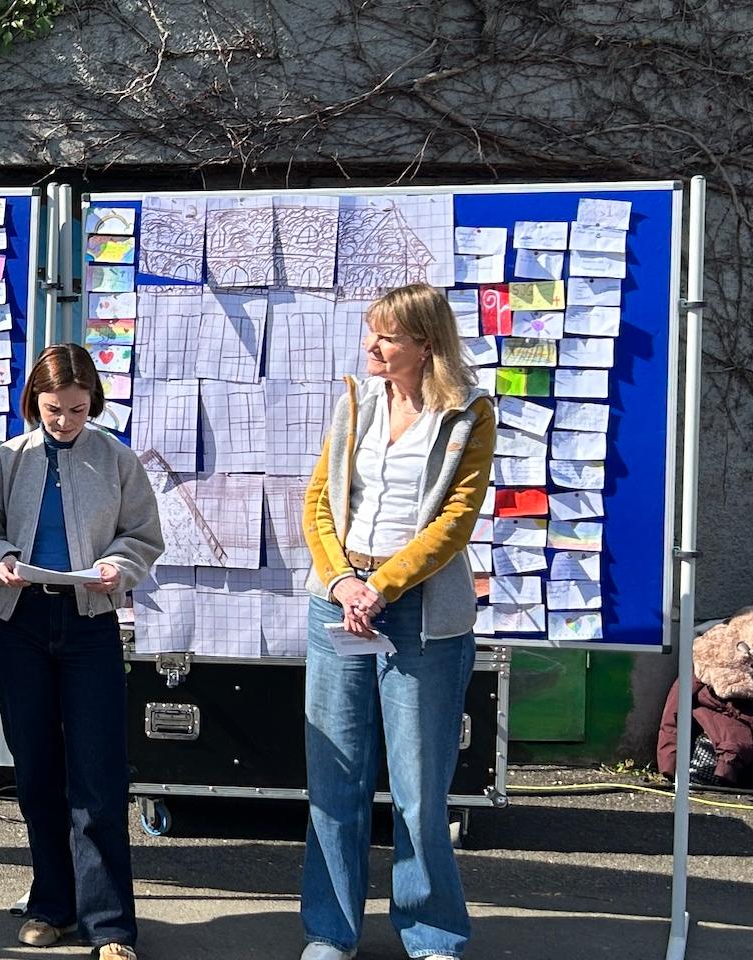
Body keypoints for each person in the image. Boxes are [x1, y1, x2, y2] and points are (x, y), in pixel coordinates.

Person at [298, 283, 494, 960]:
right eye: (370, 331)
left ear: (425, 344)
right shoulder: (355, 401)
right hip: (340, 599)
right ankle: (330, 932)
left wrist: (380, 586)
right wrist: (344, 581)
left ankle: (432, 931)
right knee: (335, 779)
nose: (371, 346)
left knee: (417, 788)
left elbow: (454, 523)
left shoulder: (469, 413)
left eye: (387, 336)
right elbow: (319, 501)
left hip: (419, 614)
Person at [0, 343, 164, 960]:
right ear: (34, 403)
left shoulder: (116, 459)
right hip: (22, 621)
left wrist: (118, 566)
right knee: (37, 772)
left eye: (77, 410)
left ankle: (111, 927)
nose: (65, 422)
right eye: (53, 410)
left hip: (89, 624)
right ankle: (53, 903)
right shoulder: (7, 460)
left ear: (93, 403)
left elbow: (143, 536)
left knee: (97, 775)